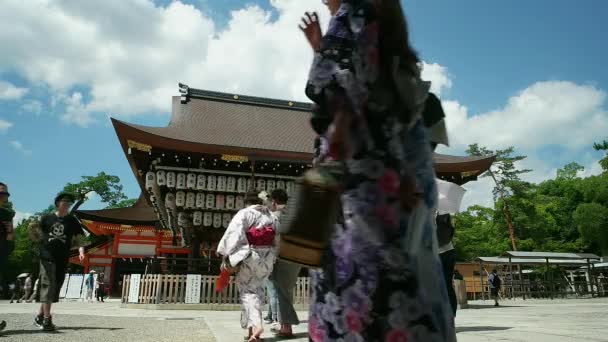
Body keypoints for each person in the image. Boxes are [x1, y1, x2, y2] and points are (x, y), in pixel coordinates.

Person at [300, 0, 456, 340]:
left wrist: (338, 124)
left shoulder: (352, 14)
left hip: (362, 165)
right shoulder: (382, 18)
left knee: (357, 277)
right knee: (406, 273)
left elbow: (335, 86)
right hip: (394, 160)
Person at [217, 191, 278, 342]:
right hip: (268, 258)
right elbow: (279, 238)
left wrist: (224, 252)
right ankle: (251, 332)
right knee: (257, 291)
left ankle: (257, 325)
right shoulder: (272, 216)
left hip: (251, 256)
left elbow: (234, 234)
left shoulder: (244, 213)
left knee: (247, 292)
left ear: (246, 202)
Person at [30, 192, 86, 331]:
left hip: (62, 257)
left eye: (69, 203)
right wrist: (37, 241)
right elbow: (36, 233)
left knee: (55, 287)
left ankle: (40, 316)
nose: (67, 204)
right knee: (48, 284)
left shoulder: (72, 221)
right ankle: (47, 320)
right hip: (47, 256)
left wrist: (81, 251)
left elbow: (79, 237)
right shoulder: (47, 218)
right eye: (64, 202)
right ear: (57, 203)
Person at [267, 189, 301, 337]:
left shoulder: (274, 217)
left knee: (282, 292)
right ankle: (283, 324)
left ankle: (286, 327)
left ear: (274, 202)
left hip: (282, 258)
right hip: (296, 258)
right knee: (285, 291)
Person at [0, 182, 15, 332]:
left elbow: (10, 236)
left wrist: (10, 234)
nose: (3, 195)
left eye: (5, 193)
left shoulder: (7, 214)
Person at [437, 213, 457, 317]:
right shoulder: (444, 212)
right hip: (449, 251)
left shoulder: (425, 213)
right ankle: (451, 315)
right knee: (447, 285)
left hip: (438, 253)